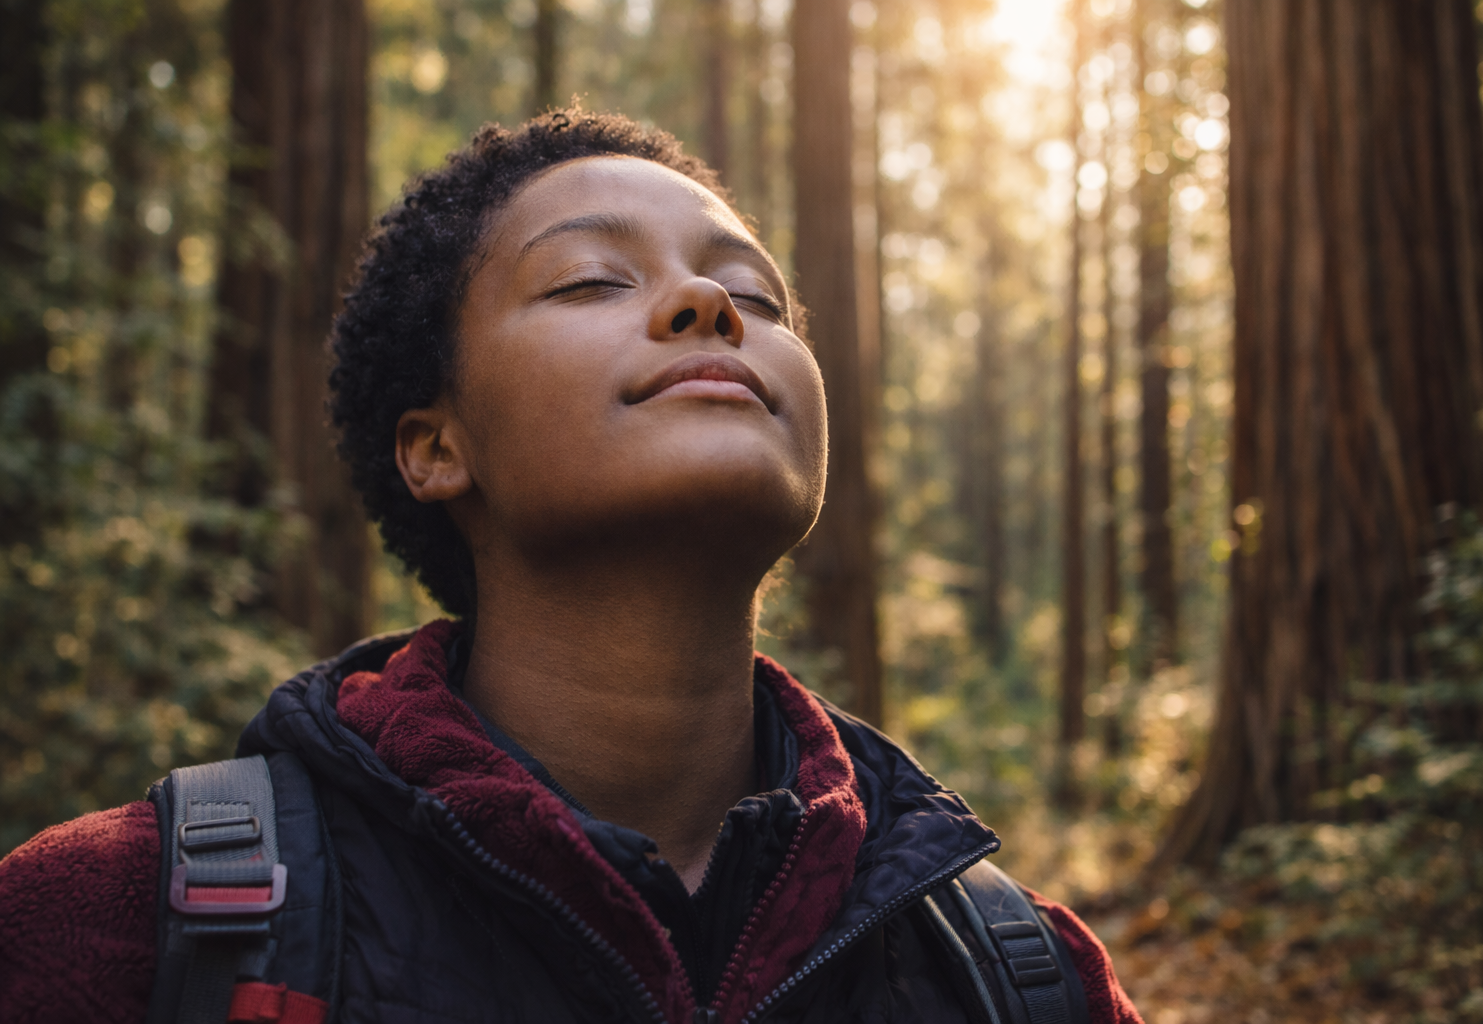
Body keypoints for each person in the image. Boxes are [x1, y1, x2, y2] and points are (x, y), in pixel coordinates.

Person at [0, 110, 1143, 1024]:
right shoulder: (120, 921)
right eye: (593, 279)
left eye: (753, 297)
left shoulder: (1024, 974)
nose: (711, 310)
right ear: (437, 446)